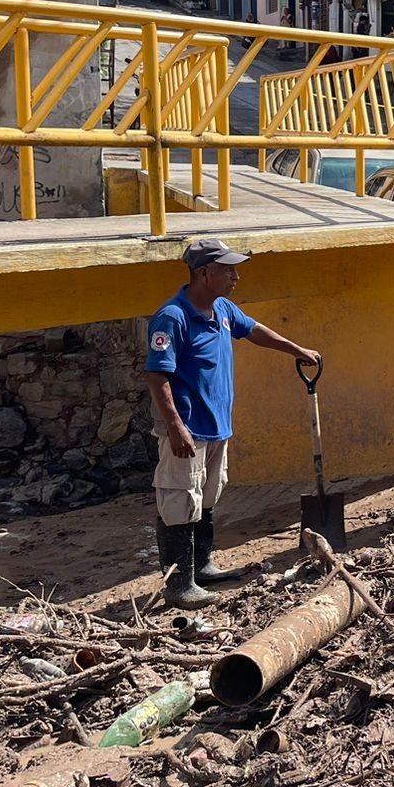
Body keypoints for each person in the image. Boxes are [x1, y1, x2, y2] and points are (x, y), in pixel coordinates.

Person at [145, 240, 321, 610]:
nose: (235, 276)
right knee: (180, 499)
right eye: (227, 269)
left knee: (208, 494)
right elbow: (157, 377)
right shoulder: (172, 317)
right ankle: (178, 585)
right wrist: (175, 427)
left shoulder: (222, 308)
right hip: (188, 428)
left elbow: (255, 330)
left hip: (216, 424)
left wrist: (296, 350)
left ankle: (202, 565)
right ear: (203, 273)